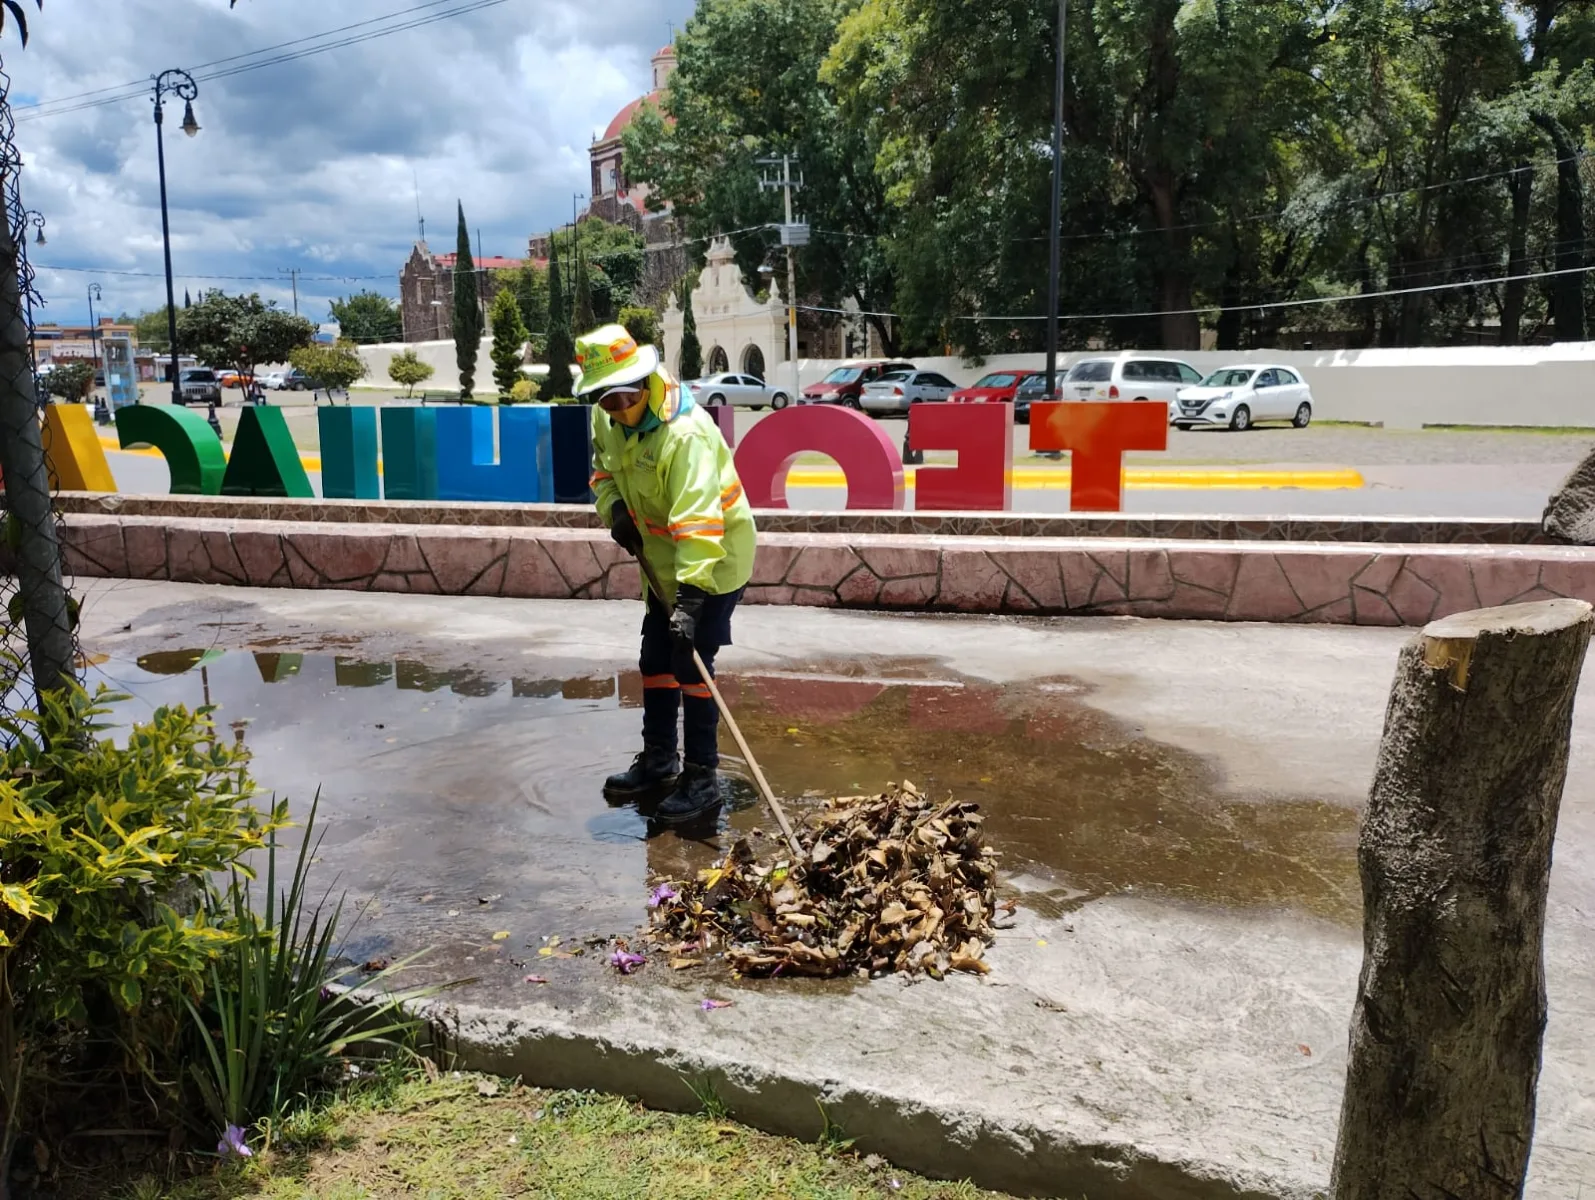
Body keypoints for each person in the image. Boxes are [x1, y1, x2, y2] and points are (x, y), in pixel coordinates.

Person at [580, 324, 756, 825]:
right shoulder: (607, 420)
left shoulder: (686, 435)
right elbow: (603, 474)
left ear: (643, 383)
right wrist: (613, 510)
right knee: (655, 655)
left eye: (623, 398)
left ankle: (702, 777)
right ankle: (659, 758)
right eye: (604, 401)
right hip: (660, 561)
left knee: (691, 660)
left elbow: (700, 521)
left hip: (713, 562)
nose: (615, 410)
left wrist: (691, 603)